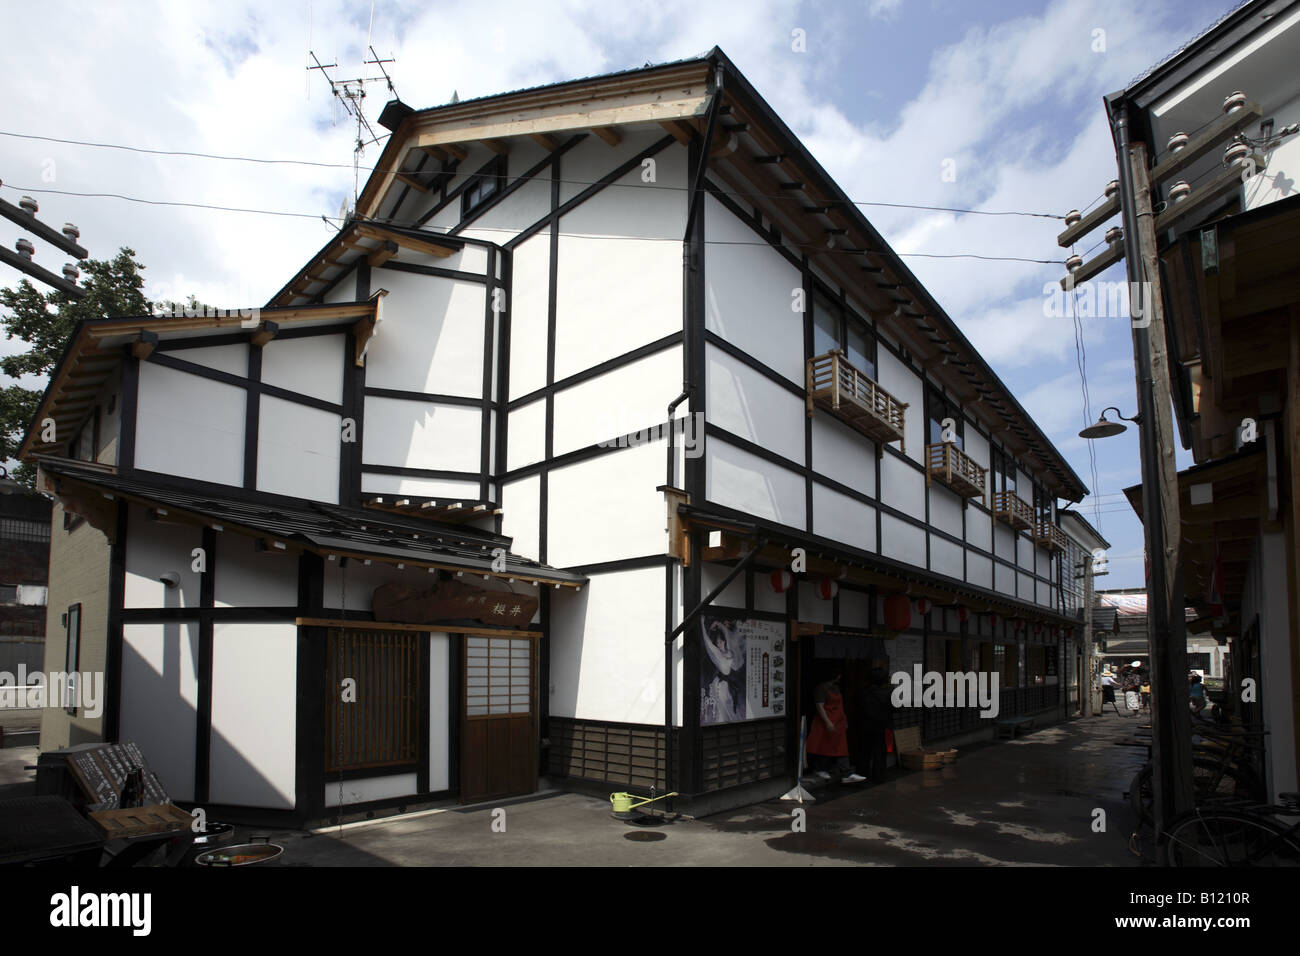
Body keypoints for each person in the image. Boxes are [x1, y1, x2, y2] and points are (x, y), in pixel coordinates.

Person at [806, 669, 864, 783]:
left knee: (834, 747)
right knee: (832, 747)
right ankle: (845, 772)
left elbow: (840, 705)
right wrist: (827, 722)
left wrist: (844, 719)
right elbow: (819, 706)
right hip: (827, 721)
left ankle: (821, 768)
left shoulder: (835, 688)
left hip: (838, 721)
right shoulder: (821, 688)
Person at [850, 668, 894, 784]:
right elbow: (897, 708)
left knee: (864, 751)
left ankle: (862, 775)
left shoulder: (860, 692)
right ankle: (879, 777)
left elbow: (855, 707)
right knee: (879, 752)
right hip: (881, 726)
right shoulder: (888, 693)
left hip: (863, 726)